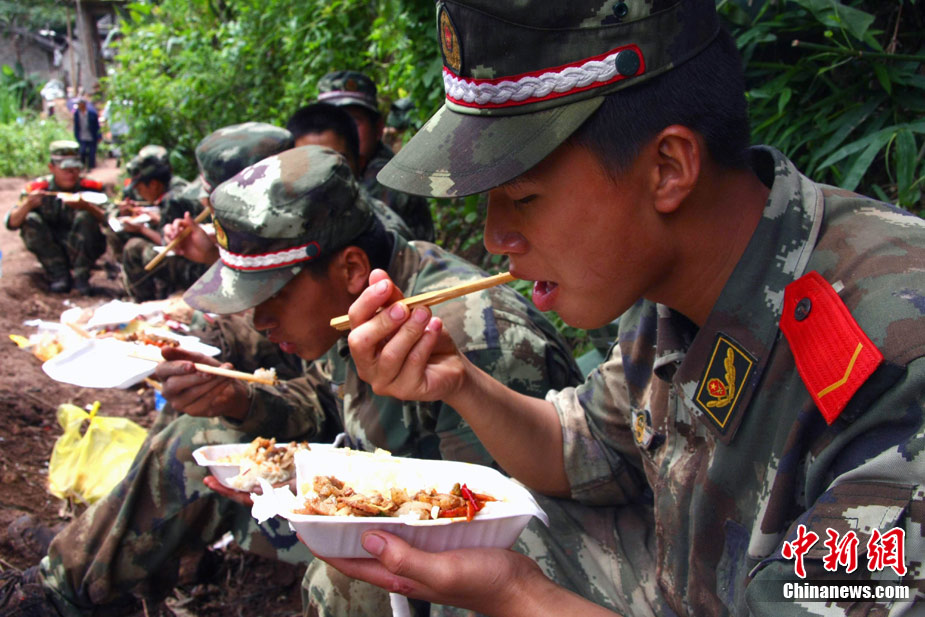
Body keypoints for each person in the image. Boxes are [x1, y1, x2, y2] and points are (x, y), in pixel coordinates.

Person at [319, 1, 925, 615]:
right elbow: (583, 448)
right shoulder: (668, 282)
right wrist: (458, 381)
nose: (494, 238)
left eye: (522, 198)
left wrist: (518, 595)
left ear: (668, 169)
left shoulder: (895, 353)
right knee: (428, 538)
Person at [0, 146, 581, 617]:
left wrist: (318, 503)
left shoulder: (469, 338)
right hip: (372, 513)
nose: (257, 320)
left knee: (347, 588)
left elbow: (493, 524)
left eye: (270, 294)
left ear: (349, 267)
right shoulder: (366, 298)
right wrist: (240, 401)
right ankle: (65, 586)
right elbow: (328, 402)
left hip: (497, 569)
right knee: (197, 441)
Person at [318, 70, 436, 242]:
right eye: (332, 122)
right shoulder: (319, 169)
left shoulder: (391, 181)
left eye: (354, 121)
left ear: (378, 128)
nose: (343, 131)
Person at [286, 101, 415, 240]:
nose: (321, 176)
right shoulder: (275, 225)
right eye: (307, 165)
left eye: (335, 164)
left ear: (360, 164)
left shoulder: (385, 232)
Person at [3, 140, 107, 294]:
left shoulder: (92, 189)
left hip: (83, 245)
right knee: (30, 219)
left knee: (86, 217)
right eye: (65, 169)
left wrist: (88, 207)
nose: (71, 174)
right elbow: (11, 223)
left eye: (75, 168)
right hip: (52, 246)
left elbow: (111, 221)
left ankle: (81, 277)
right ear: (52, 168)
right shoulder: (38, 188)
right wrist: (28, 205)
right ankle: (58, 275)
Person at [118, 149, 206, 301]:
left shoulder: (173, 200)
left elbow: (171, 244)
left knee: (134, 248)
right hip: (208, 259)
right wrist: (157, 219)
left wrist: (141, 229)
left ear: (153, 184)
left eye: (139, 188)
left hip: (199, 267)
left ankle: (143, 301)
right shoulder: (178, 186)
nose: (139, 194)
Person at [72, 99, 101, 170]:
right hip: (82, 136)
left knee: (92, 153)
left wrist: (99, 136)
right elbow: (76, 127)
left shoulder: (92, 114)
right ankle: (83, 166)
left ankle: (91, 167)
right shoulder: (76, 114)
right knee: (82, 151)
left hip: (92, 136)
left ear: (84, 105)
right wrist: (76, 136)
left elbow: (97, 126)